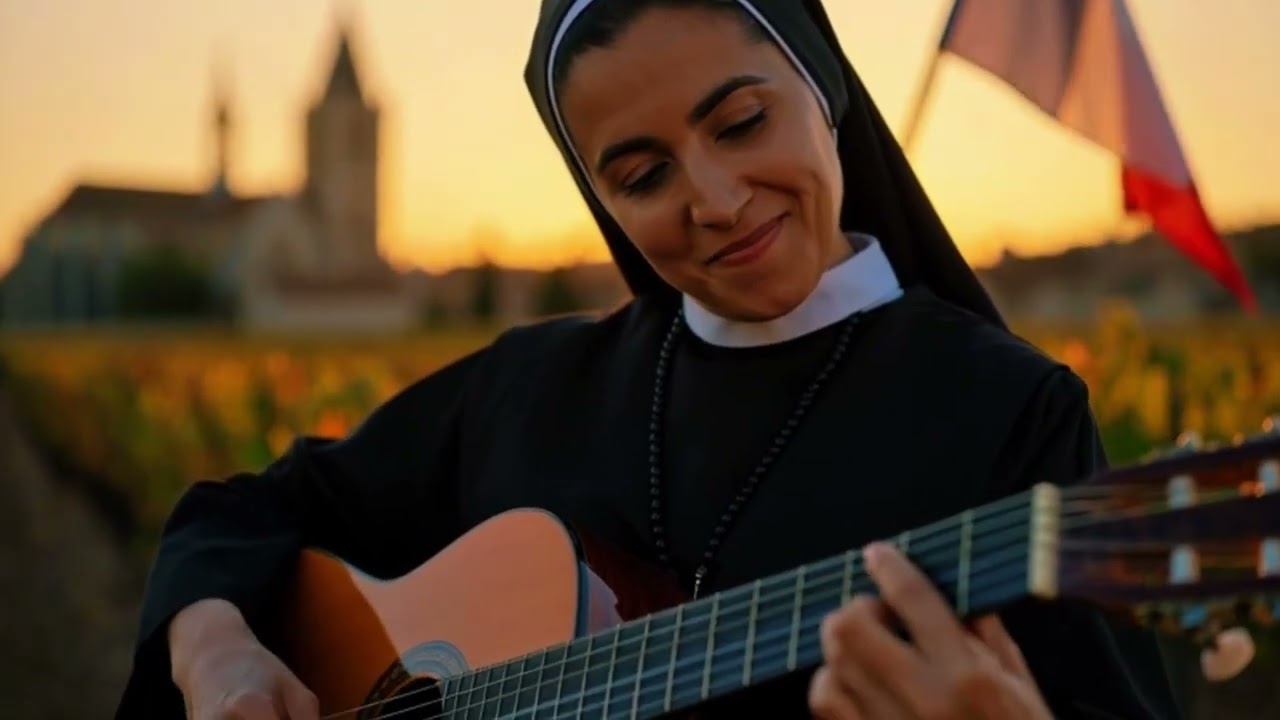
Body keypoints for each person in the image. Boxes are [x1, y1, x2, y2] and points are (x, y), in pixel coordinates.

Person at [114, 0, 1183, 718]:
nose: (713, 201)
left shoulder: (1003, 412)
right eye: (640, 174)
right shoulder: (528, 388)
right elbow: (238, 514)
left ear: (824, 91)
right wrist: (213, 645)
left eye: (742, 120)